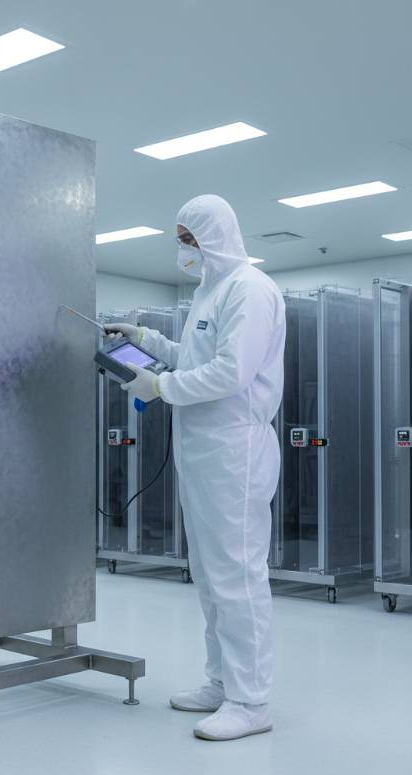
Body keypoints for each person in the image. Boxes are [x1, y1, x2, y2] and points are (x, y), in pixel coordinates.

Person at [104, 194, 285, 741]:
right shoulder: (210, 292)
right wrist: (149, 342)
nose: (183, 250)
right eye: (180, 240)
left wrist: (160, 386)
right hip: (203, 447)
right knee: (209, 576)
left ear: (217, 235)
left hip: (236, 450)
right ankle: (221, 682)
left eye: (190, 239)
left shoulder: (250, 290)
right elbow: (198, 357)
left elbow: (231, 373)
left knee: (238, 575)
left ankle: (251, 701)